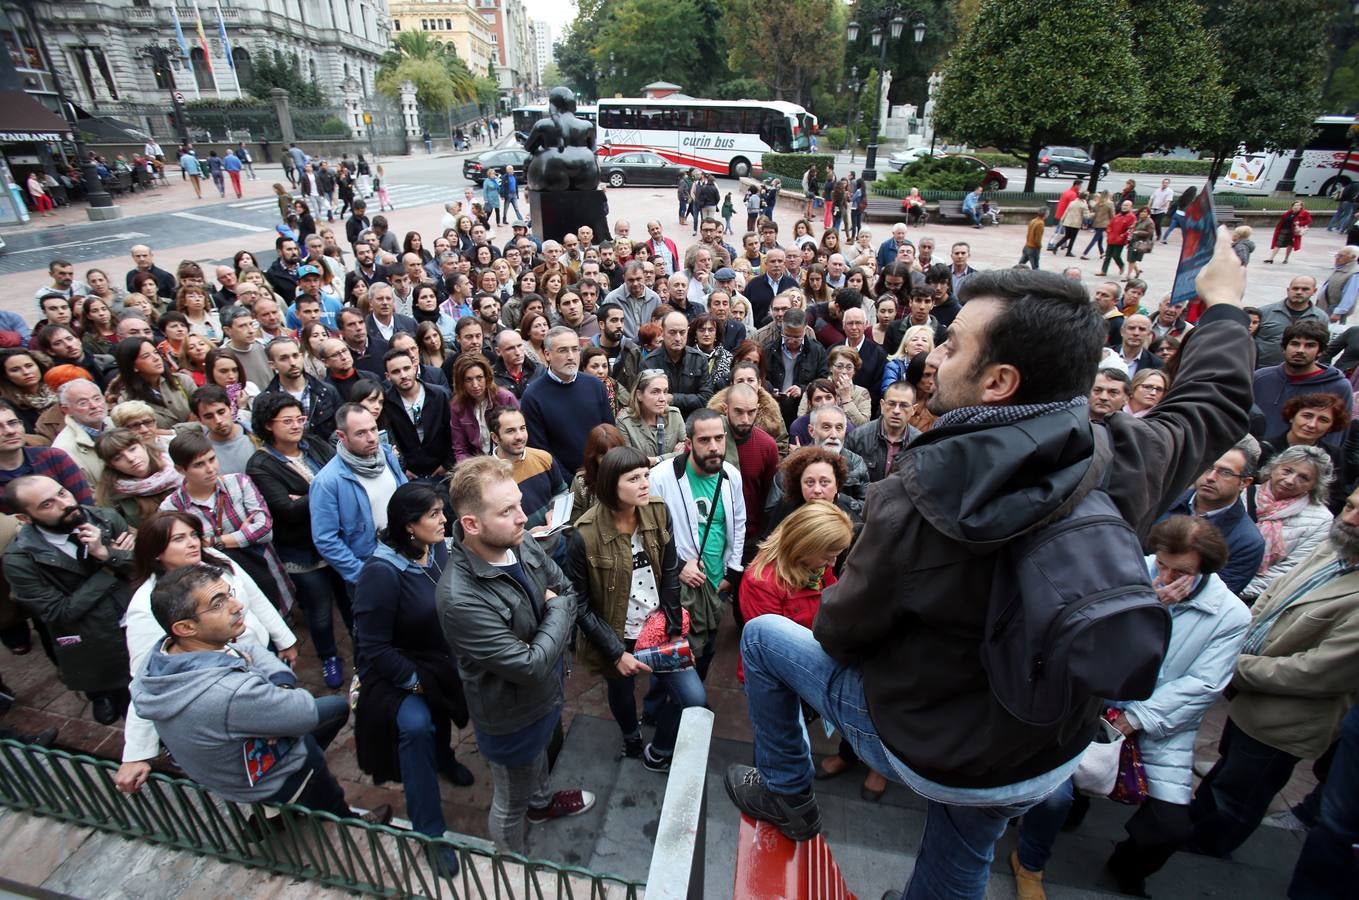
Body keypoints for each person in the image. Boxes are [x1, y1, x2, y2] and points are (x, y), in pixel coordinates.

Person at [722, 240, 1254, 898]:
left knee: (765, 640)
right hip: (1042, 752)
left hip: (932, 746)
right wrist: (1225, 302)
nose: (933, 355)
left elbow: (840, 634)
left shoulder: (912, 502)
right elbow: (1213, 403)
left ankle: (785, 795)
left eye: (951, 345)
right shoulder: (1123, 453)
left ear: (998, 381)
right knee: (964, 850)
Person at [1010, 515, 1249, 898]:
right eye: (1164, 564)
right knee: (1056, 797)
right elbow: (1091, 637)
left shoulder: (1231, 615)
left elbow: (1203, 684)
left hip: (1159, 724)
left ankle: (1126, 867)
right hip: (1093, 706)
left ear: (1204, 570)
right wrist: (1148, 606)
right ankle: (1031, 860)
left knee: (1169, 828)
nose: (1167, 577)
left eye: (1181, 571)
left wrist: (1136, 719)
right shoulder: (1132, 569)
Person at [130, 563, 392, 825]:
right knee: (322, 754)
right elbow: (303, 711)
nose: (237, 606)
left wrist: (277, 694)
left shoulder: (163, 657)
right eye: (218, 603)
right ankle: (349, 823)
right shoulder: (230, 693)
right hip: (268, 776)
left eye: (229, 593)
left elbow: (251, 651)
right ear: (186, 628)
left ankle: (275, 814)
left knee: (327, 712)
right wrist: (276, 706)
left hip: (226, 772)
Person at [438, 456, 600, 852]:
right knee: (511, 800)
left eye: (519, 504)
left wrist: (554, 609)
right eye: (507, 511)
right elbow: (529, 663)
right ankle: (513, 863)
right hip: (510, 715)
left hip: (546, 694)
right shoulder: (460, 598)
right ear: (472, 524)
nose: (523, 518)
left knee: (539, 759)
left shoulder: (519, 539)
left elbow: (563, 587)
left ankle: (542, 805)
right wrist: (558, 611)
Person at [1188, 485, 1359, 858]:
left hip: (1286, 719)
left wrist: (1234, 667)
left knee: (1237, 797)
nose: (1350, 518)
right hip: (1251, 700)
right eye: (1349, 505)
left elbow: (1316, 672)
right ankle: (1189, 834)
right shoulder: (1336, 548)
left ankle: (1203, 856)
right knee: (1225, 774)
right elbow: (1275, 595)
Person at [115, 510, 297, 794]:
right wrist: (137, 753)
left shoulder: (216, 561)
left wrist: (284, 639)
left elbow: (256, 599)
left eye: (193, 535)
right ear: (155, 553)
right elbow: (146, 682)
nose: (192, 543)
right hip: (219, 690)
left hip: (257, 658)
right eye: (179, 539)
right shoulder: (146, 608)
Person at [352, 484, 472, 873]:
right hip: (396, 673)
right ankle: (430, 833)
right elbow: (373, 647)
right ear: (408, 526)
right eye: (435, 515)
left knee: (442, 714)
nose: (444, 521)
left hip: (436, 661)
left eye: (443, 511)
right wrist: (416, 683)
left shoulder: (434, 547)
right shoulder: (380, 573)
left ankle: (445, 758)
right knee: (418, 726)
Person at [565, 445, 707, 769]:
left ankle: (659, 750)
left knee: (694, 698)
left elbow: (670, 571)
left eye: (645, 475)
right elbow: (580, 605)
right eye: (634, 478)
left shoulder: (658, 511)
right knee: (621, 690)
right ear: (611, 484)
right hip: (615, 632)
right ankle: (631, 737)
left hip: (657, 626)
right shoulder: (585, 536)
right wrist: (616, 652)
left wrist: (672, 625)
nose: (645, 483)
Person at [3, 474, 136, 724]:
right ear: (24, 518)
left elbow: (143, 568)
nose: (64, 504)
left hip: (139, 620)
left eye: (62, 493)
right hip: (97, 642)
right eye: (47, 504)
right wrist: (107, 566)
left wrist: (110, 555)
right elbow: (60, 613)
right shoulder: (20, 560)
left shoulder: (105, 518)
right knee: (129, 702)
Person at [246, 392, 352, 689]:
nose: (296, 425)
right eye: (288, 421)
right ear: (269, 425)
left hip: (336, 540)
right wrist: (324, 489)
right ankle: (329, 657)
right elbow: (286, 511)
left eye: (300, 419)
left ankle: (364, 647)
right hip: (302, 551)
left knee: (350, 601)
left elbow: (345, 475)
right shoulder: (261, 465)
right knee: (319, 612)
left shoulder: (315, 445)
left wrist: (309, 496)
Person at [648, 409, 746, 679]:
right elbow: (649, 534)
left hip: (718, 582)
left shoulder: (731, 475)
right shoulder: (660, 477)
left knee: (709, 645)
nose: (714, 447)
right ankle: (659, 706)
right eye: (704, 440)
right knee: (672, 649)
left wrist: (732, 572)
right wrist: (678, 566)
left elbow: (738, 522)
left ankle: (696, 691)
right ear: (689, 443)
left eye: (718, 438)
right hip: (679, 585)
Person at [160, 431, 295, 617]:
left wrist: (212, 541)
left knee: (281, 617)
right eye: (199, 465)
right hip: (220, 585)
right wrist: (243, 535)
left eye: (212, 459)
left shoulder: (239, 483)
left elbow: (264, 530)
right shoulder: (172, 507)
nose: (210, 469)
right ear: (181, 469)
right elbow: (183, 553)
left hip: (263, 569)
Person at [310, 403, 408, 614]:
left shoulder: (387, 455)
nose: (372, 438)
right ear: (341, 436)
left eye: (373, 429)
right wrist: (362, 574)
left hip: (407, 557)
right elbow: (326, 539)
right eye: (361, 433)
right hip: (372, 568)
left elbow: (406, 499)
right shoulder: (327, 482)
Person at [1160, 441, 1267, 597]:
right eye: (1208, 467)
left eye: (1225, 473)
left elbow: (1218, 595)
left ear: (1244, 482)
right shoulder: (1165, 500)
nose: (1210, 477)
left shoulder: (1248, 541)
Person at [1241, 445, 1335, 603]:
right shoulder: (1240, 493)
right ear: (1273, 468)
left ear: (1314, 485)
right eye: (1287, 470)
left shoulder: (1321, 519)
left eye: (1303, 478)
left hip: (1254, 598)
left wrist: (1236, 591)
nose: (1290, 481)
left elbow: (1289, 570)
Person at [520, 326, 616, 474]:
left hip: (603, 474)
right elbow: (541, 450)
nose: (571, 356)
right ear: (547, 355)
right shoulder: (533, 396)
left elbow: (609, 433)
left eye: (575, 349)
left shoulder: (595, 385)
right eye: (563, 350)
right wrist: (572, 482)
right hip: (564, 484)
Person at [1254, 319, 1353, 449]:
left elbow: (1336, 436)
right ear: (1284, 347)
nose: (1300, 350)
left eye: (1309, 345)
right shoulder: (1260, 378)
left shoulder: (1339, 386)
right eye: (1295, 344)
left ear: (1321, 351)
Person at [616, 369, 685, 467]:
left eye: (665, 392)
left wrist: (655, 460)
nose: (663, 399)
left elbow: (686, 452)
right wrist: (672, 456)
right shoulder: (624, 422)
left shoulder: (674, 414)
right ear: (639, 395)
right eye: (655, 392)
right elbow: (629, 462)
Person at [1265, 200, 1312, 264]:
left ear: (1301, 206)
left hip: (1293, 232)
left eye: (1298, 205)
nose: (1296, 206)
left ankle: (1286, 258)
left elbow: (1308, 221)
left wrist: (1300, 222)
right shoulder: (1289, 212)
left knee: (1290, 245)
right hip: (1284, 230)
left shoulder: (1305, 213)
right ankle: (1271, 258)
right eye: (1295, 205)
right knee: (1277, 244)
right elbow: (1283, 220)